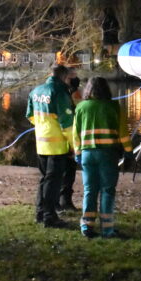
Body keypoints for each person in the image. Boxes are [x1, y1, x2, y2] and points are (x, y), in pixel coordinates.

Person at [72, 77, 133, 238]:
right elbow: (123, 133)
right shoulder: (114, 107)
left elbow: (75, 134)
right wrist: (128, 152)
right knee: (107, 190)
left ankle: (87, 225)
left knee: (89, 190)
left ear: (88, 90)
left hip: (87, 154)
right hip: (108, 154)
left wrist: (78, 153)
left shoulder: (81, 107)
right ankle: (107, 229)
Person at [26, 64, 74, 228]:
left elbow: (30, 116)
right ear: (63, 76)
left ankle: (40, 213)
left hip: (41, 143)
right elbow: (67, 124)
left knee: (44, 179)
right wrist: (74, 146)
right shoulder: (60, 92)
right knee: (53, 182)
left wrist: (44, 127)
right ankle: (49, 216)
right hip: (57, 145)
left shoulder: (36, 91)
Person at [58, 68, 83, 212]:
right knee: (68, 172)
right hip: (69, 138)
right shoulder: (73, 94)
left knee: (61, 172)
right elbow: (80, 112)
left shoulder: (60, 93)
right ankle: (65, 201)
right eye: (72, 77)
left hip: (58, 138)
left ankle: (61, 201)